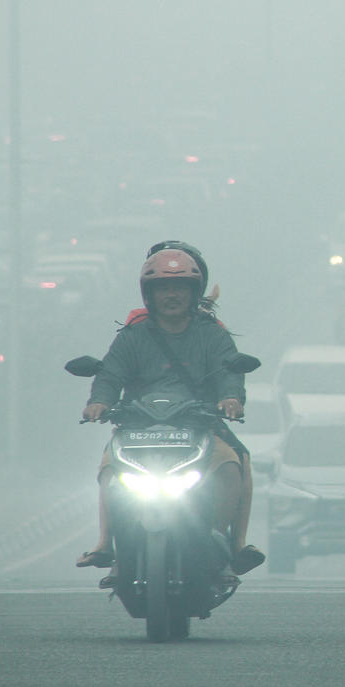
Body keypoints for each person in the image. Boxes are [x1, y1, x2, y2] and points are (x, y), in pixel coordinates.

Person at [75, 249, 265, 583]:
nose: (172, 295)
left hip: (201, 427)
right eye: (163, 288)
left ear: (195, 293)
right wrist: (99, 403)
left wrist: (231, 398)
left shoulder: (213, 335)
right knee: (108, 466)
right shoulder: (132, 336)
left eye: (180, 288)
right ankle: (107, 544)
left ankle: (227, 545)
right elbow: (109, 375)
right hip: (137, 430)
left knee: (236, 463)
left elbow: (228, 374)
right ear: (149, 294)